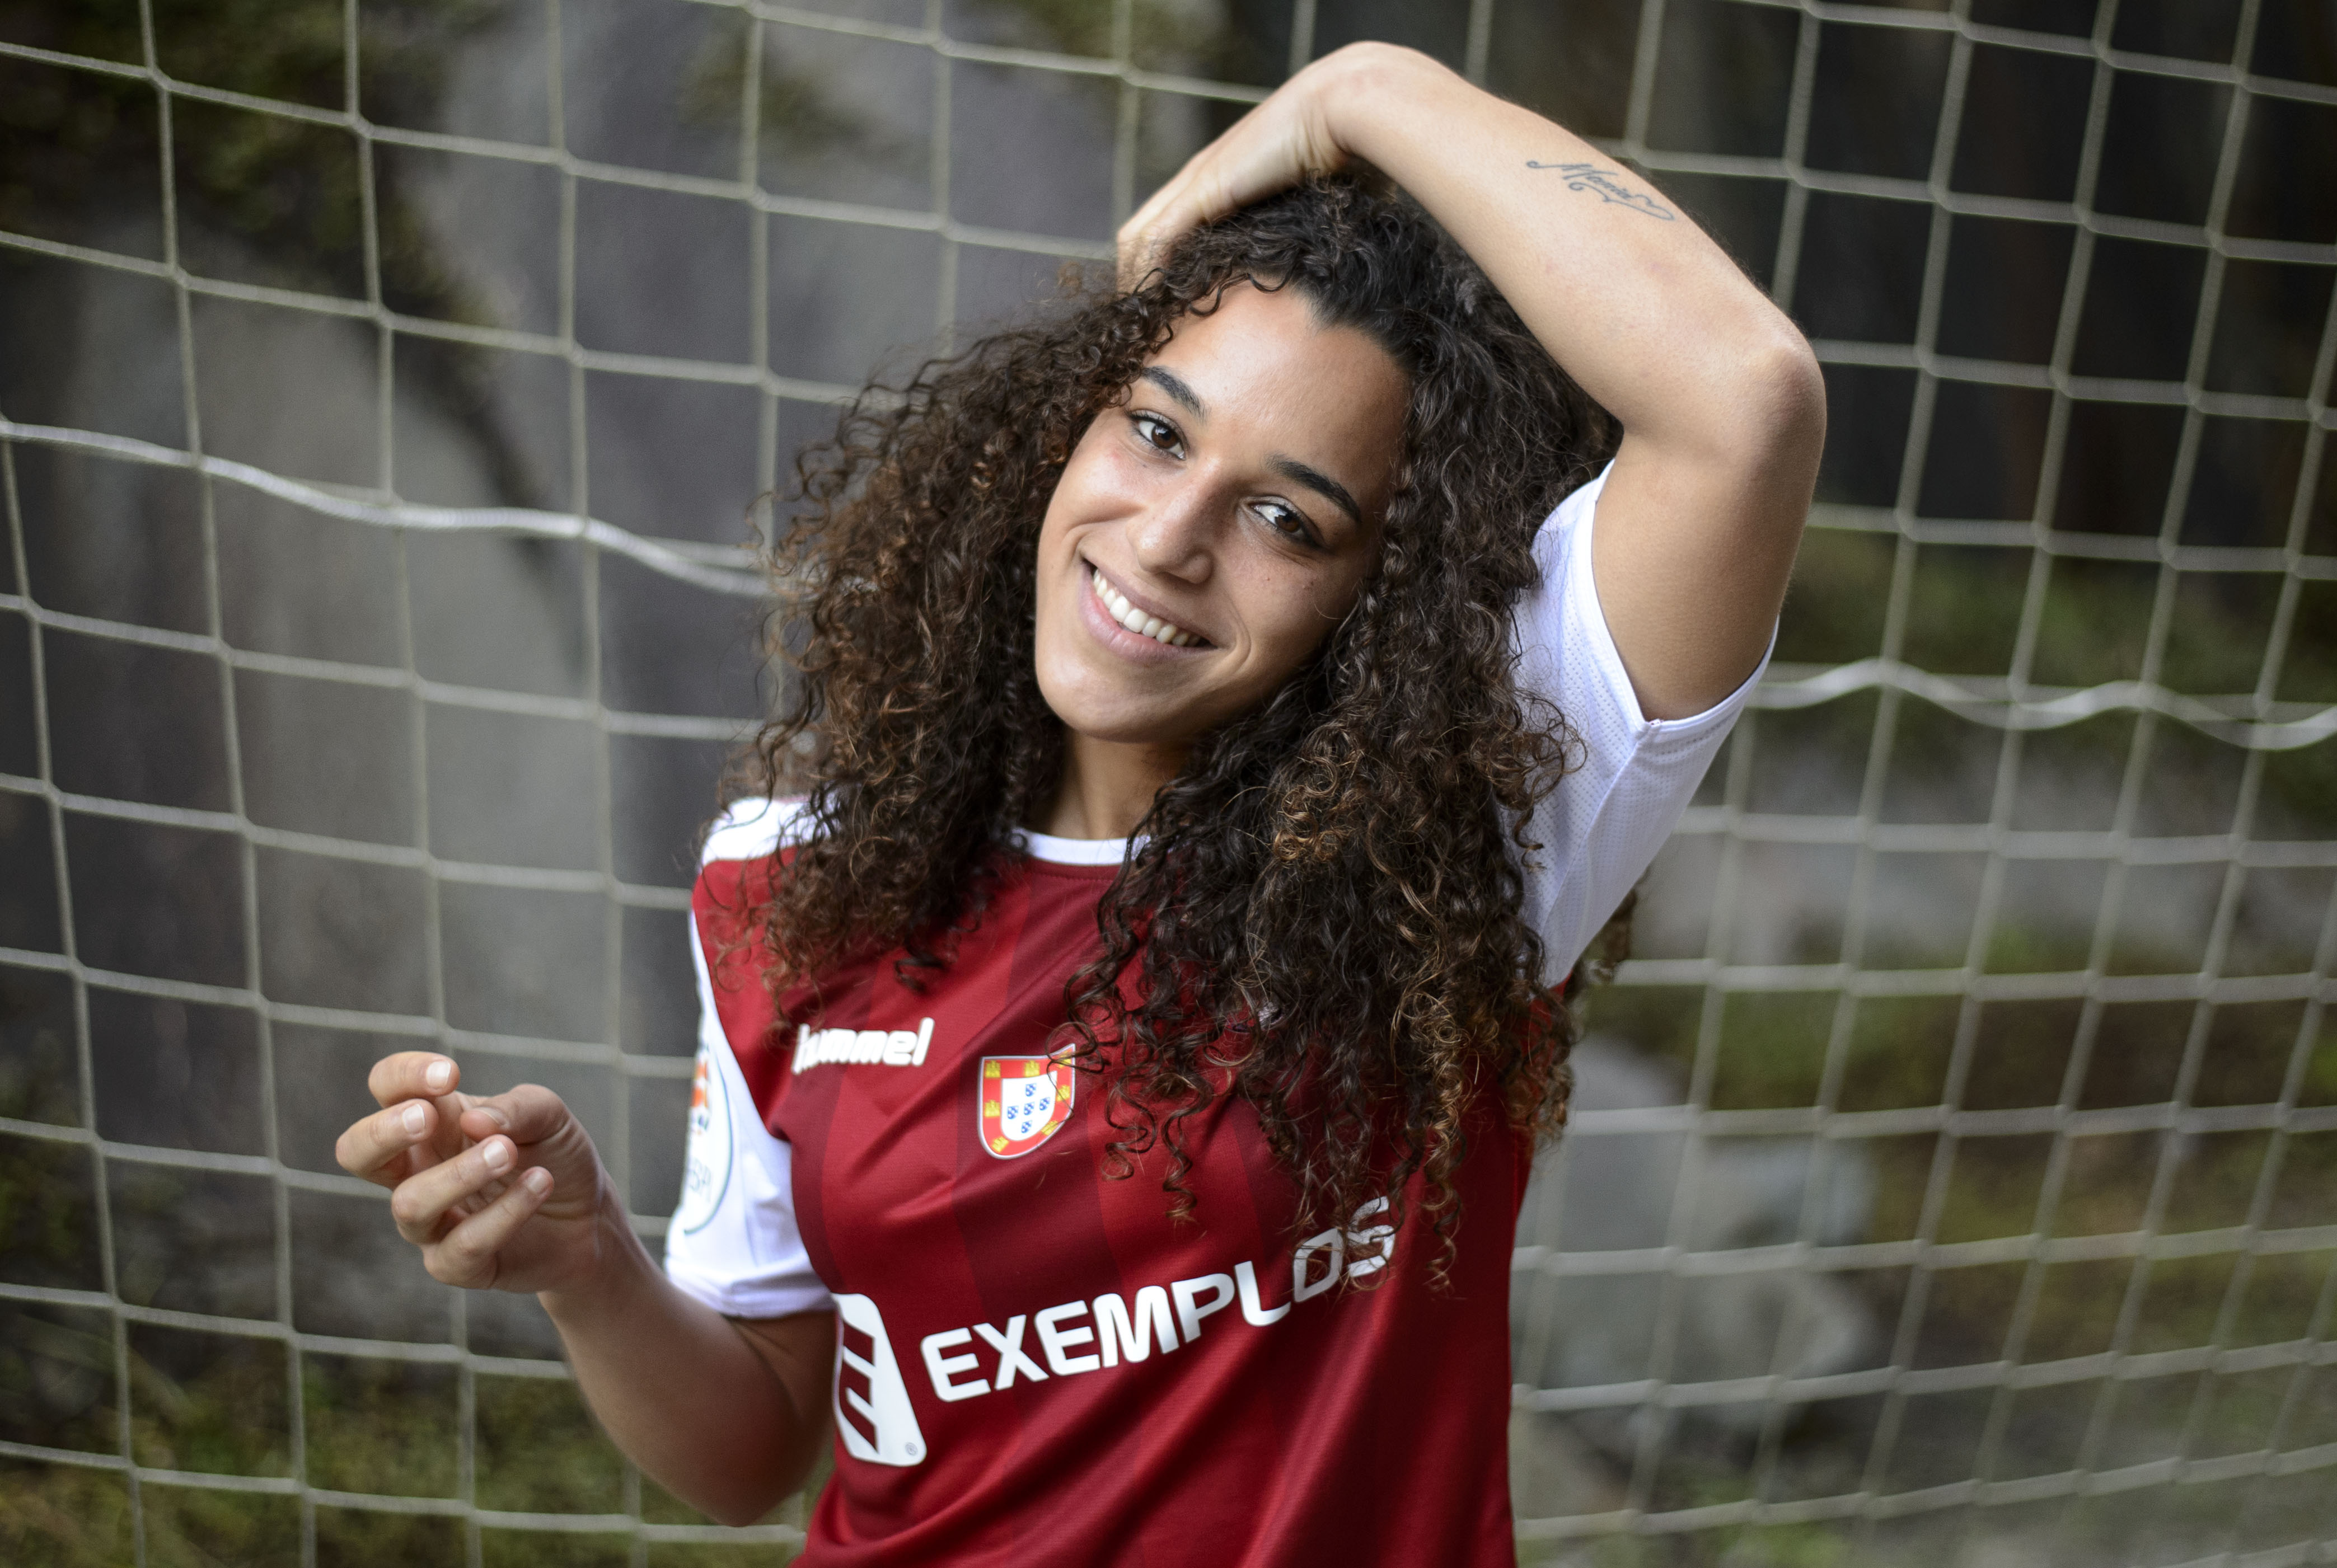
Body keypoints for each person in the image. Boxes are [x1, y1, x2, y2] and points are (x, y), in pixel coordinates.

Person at [334, 41, 1823, 1565]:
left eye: (1284, 517)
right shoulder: (792, 878)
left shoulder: (1470, 835)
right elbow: (749, 1450)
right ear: (1065, 424)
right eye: (1156, 431)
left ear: (1388, 600)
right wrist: (588, 1262)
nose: (1168, 537)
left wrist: (1363, 92)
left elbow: (1745, 397)